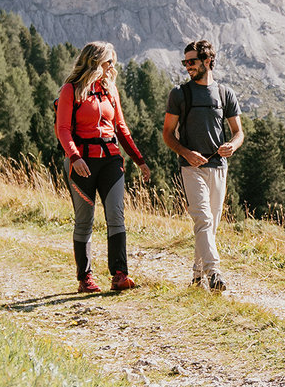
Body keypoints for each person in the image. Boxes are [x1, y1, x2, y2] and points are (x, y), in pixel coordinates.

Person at [55, 41, 152, 293]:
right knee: (84, 220)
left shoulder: (110, 90)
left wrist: (139, 160)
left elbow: (121, 128)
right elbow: (63, 129)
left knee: (116, 216)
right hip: (81, 163)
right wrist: (75, 157)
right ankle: (84, 278)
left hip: (111, 160)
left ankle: (120, 275)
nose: (113, 66)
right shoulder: (71, 90)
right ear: (95, 62)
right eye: (109, 61)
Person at [163, 39, 242, 291]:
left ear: (208, 61)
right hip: (191, 168)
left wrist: (233, 145)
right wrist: (186, 153)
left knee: (211, 224)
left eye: (192, 61)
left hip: (219, 167)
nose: (188, 66)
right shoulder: (179, 93)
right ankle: (215, 272)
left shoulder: (225, 93)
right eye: (185, 62)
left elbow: (239, 132)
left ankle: (198, 277)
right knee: (203, 219)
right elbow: (167, 134)